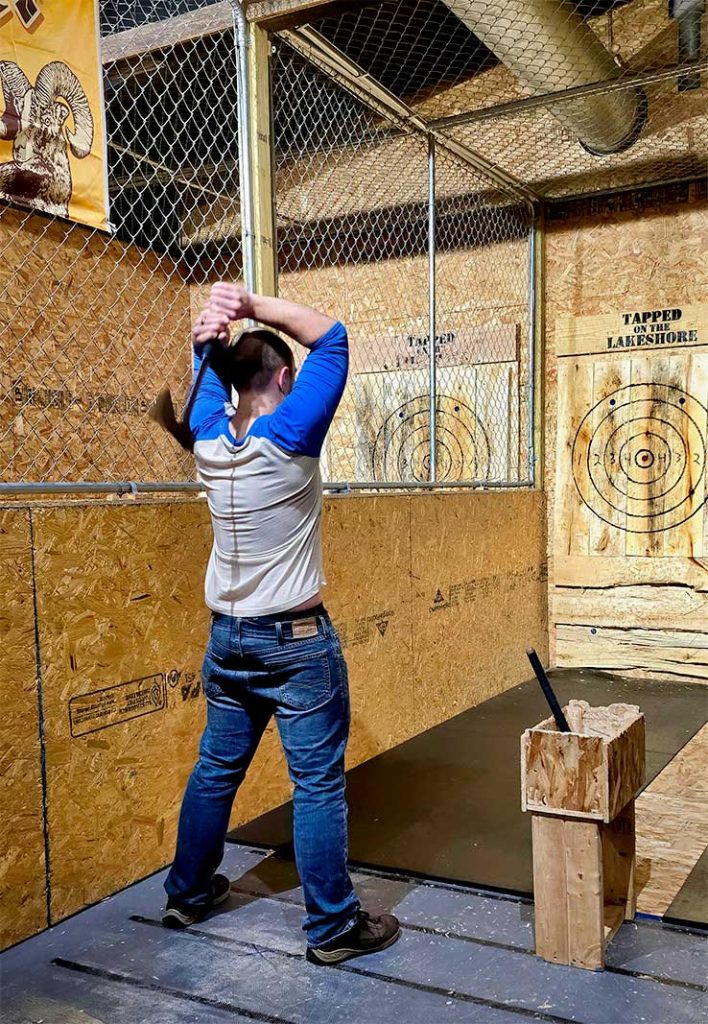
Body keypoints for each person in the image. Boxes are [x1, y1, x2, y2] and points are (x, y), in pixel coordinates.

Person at [162, 283, 401, 966]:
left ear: (230, 380)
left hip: (228, 639)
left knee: (216, 769)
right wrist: (248, 306)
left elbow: (209, 378)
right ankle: (332, 927)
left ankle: (187, 893)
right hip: (295, 646)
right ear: (285, 380)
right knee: (317, 783)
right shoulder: (292, 432)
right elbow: (334, 337)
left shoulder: (208, 436)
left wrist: (208, 337)